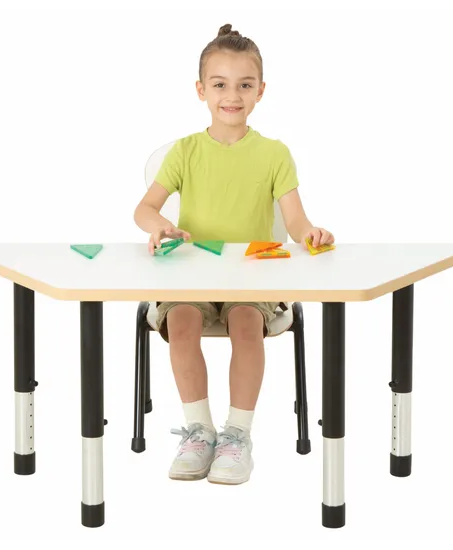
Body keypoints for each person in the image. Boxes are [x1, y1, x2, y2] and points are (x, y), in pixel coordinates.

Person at [133, 23, 335, 485]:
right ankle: (199, 432)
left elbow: (296, 222)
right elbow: (144, 209)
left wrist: (311, 234)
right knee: (181, 321)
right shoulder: (185, 151)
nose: (232, 95)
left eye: (244, 85)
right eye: (220, 84)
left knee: (246, 322)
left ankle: (237, 436)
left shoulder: (274, 154)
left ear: (260, 91)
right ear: (201, 90)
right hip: (191, 277)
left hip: (253, 280)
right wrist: (161, 226)